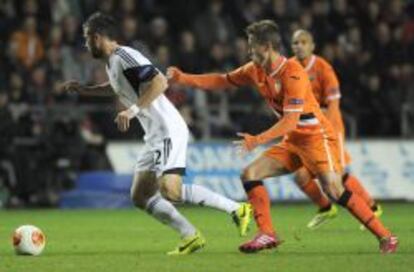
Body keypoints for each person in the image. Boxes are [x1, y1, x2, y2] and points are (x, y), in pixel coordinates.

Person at [167, 20, 398, 254]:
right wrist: (183, 78)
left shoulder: (293, 73)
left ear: (266, 47)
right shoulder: (254, 70)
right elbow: (222, 80)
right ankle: (267, 233)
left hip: (316, 138)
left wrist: (257, 139)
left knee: (334, 190)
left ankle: (386, 237)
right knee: (250, 174)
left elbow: (290, 121)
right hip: (293, 141)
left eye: (252, 46)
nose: (248, 51)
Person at [60, 12, 252, 256]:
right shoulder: (112, 63)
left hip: (167, 129)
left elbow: (160, 81)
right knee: (140, 195)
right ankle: (190, 235)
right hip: (154, 135)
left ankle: (237, 209)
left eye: (87, 39)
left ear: (98, 37)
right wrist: (84, 90)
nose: (86, 45)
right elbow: (116, 88)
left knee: (170, 190)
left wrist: (132, 110)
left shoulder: (126, 56)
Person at [290, 29, 382, 230]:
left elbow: (333, 103)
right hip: (304, 133)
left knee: (337, 177)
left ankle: (372, 208)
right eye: (296, 43)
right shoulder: (289, 68)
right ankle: (325, 208)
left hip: (329, 130)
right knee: (300, 175)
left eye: (304, 42)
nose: (299, 46)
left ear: (312, 46)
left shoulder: (323, 68)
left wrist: (323, 126)